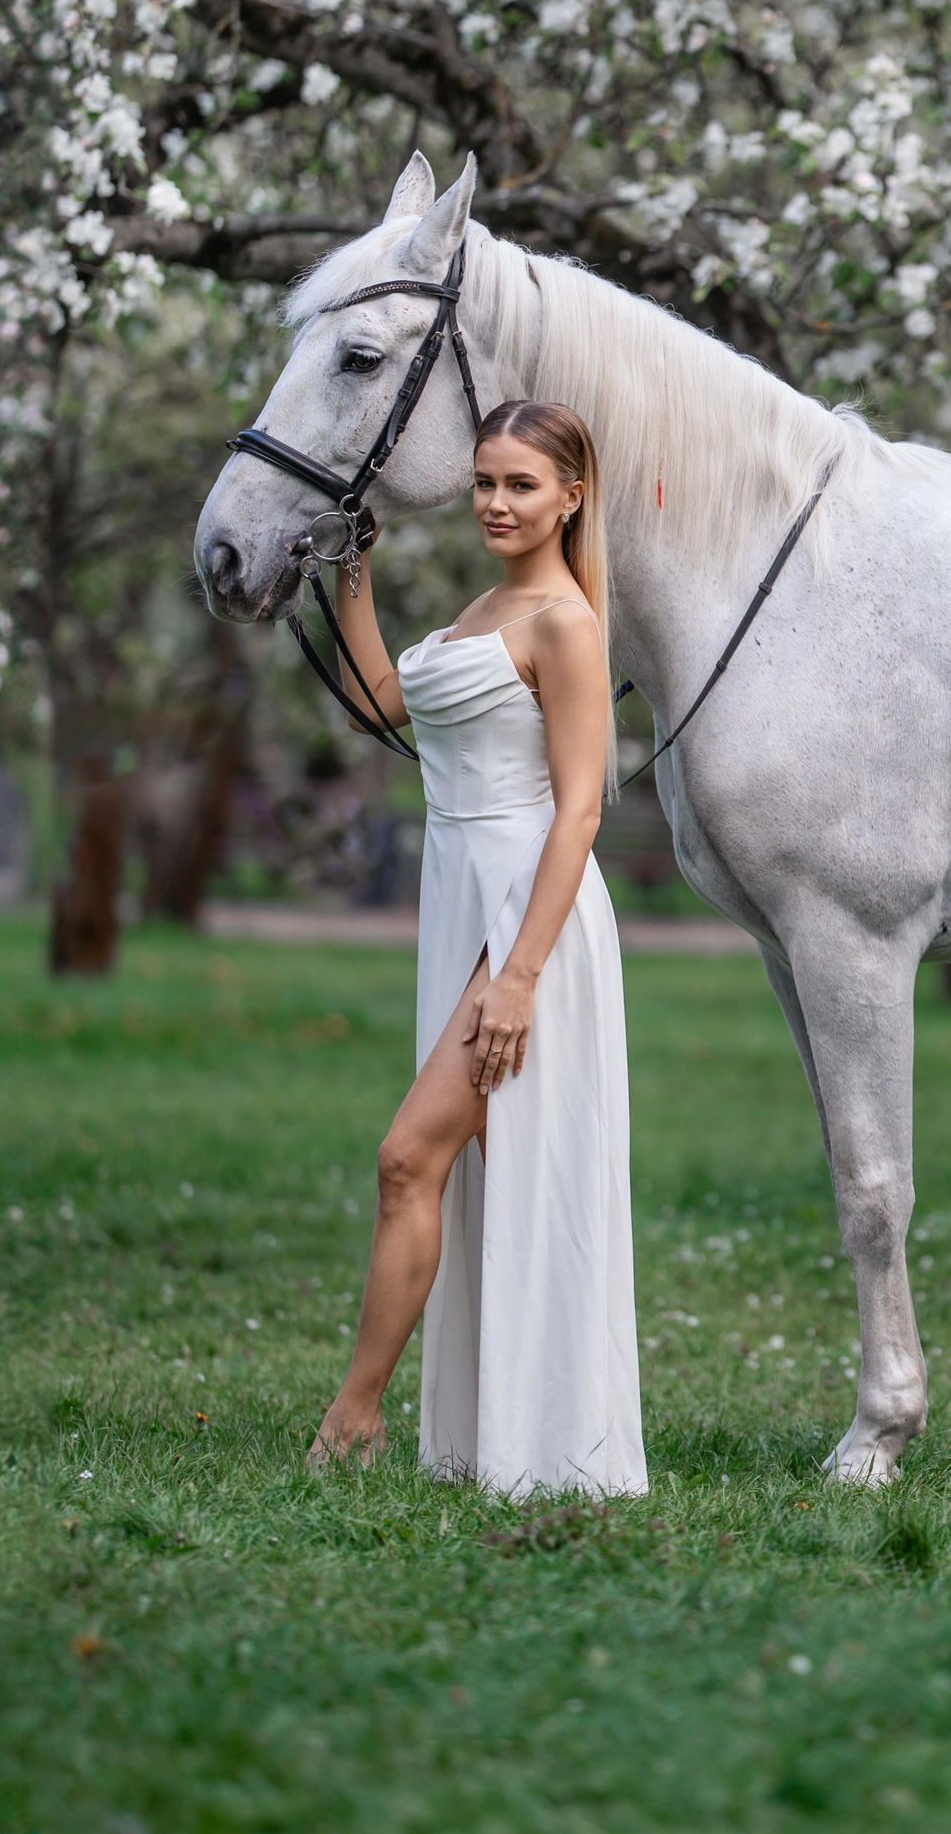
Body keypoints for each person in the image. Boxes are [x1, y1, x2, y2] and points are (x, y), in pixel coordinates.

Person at [305, 399, 646, 1498]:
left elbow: (581, 811)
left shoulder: (564, 623)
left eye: (521, 486)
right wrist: (349, 573)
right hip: (459, 892)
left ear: (571, 497)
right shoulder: (488, 603)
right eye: (486, 482)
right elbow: (388, 704)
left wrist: (519, 976)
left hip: (524, 912)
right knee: (489, 1177)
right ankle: (513, 1434)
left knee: (410, 1158)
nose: (497, 503)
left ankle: (352, 1423)